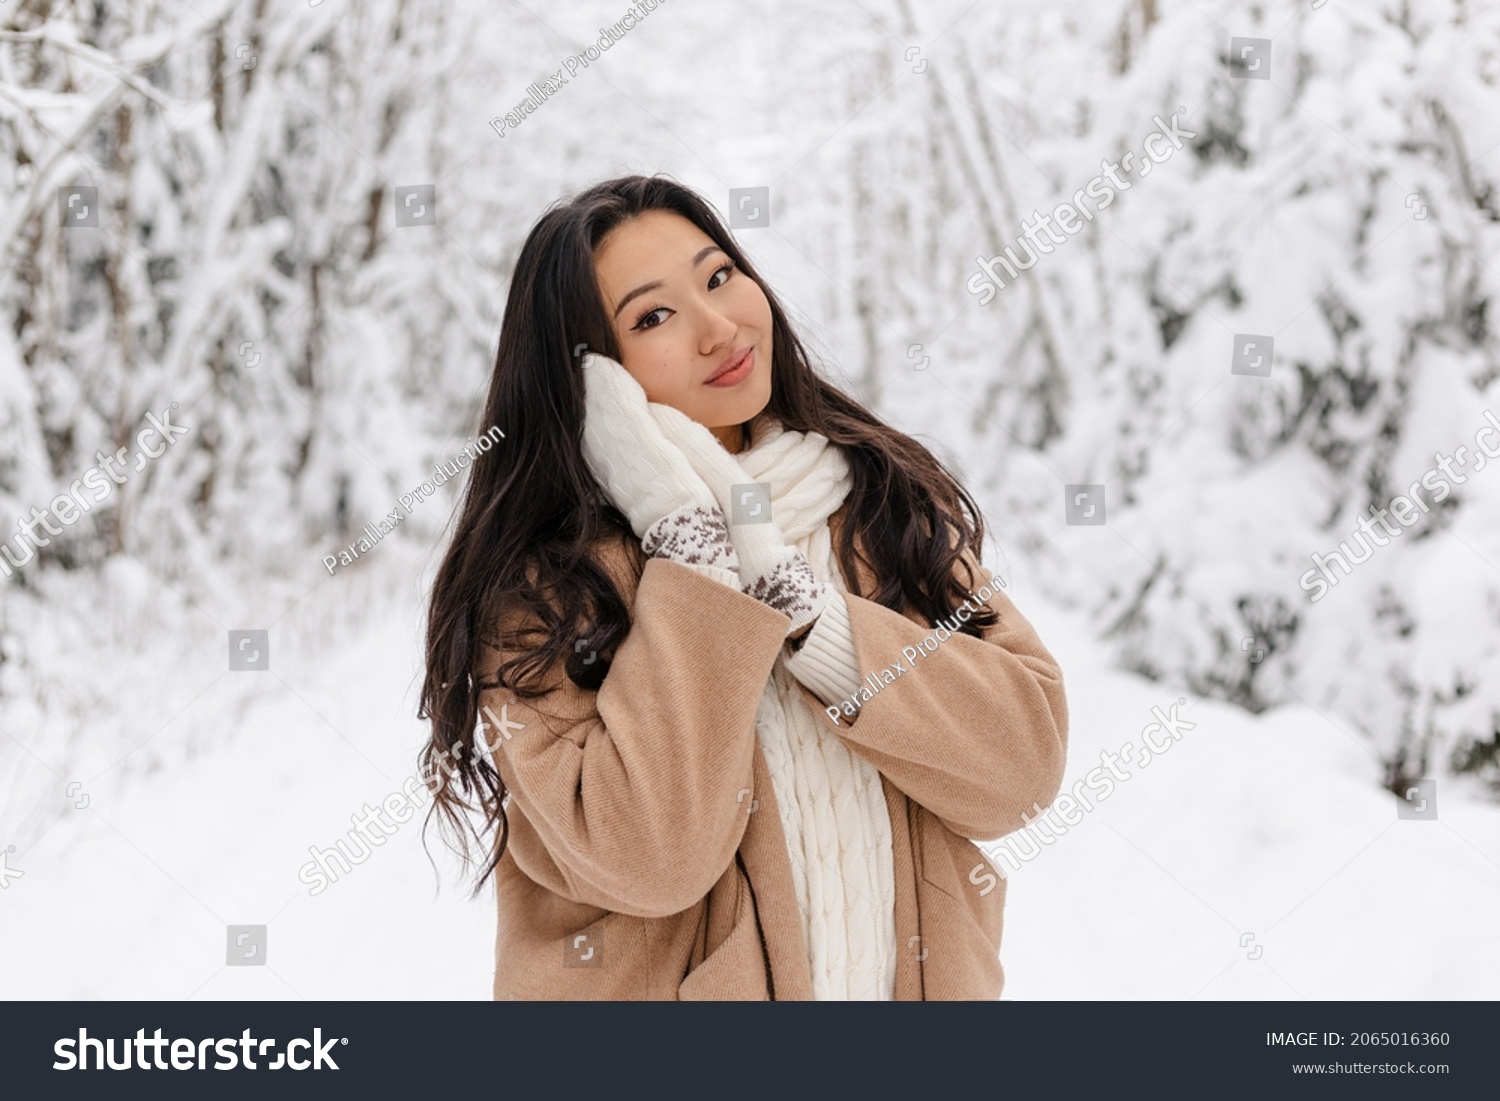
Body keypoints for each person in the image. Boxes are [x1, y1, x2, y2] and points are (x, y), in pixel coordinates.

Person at [418, 174, 1069, 999]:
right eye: (653, 316)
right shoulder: (547, 593)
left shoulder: (877, 506)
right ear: (593, 382)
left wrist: (815, 624)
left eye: (719, 276)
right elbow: (653, 857)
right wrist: (692, 555)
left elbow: (1023, 770)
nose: (720, 327)